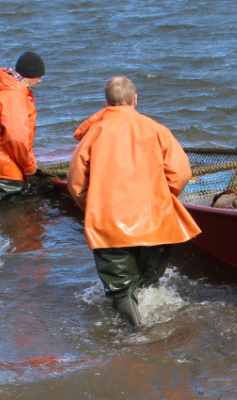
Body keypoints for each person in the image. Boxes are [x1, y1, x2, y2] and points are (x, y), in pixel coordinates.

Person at [67, 76, 201, 329]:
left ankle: (136, 336)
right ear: (135, 100)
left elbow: (75, 183)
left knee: (121, 290)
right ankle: (157, 328)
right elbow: (181, 172)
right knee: (149, 282)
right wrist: (162, 196)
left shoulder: (94, 133)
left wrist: (93, 207)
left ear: (106, 102)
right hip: (156, 220)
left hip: (109, 223)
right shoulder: (156, 129)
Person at [0, 51, 45, 203]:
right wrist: (29, 167)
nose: (40, 81)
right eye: (38, 76)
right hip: (5, 168)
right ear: (29, 75)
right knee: (18, 217)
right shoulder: (13, 96)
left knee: (9, 213)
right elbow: (16, 139)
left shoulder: (0, 87)